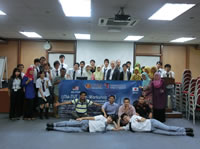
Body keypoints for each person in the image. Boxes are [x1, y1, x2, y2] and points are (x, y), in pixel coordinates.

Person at [119, 113, 194, 137]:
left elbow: (144, 119)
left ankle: (184, 129)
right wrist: (119, 120)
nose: (126, 118)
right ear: (124, 121)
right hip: (151, 130)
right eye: (124, 119)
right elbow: (117, 128)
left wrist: (140, 120)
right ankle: (185, 133)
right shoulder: (128, 126)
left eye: (126, 117)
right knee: (167, 133)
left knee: (167, 128)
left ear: (128, 116)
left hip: (152, 122)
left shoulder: (134, 117)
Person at [46, 115, 118, 133]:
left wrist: (115, 121)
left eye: (111, 119)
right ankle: (53, 124)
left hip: (86, 130)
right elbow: (91, 118)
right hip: (86, 122)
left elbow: (116, 128)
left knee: (69, 129)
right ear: (108, 117)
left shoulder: (108, 127)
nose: (109, 119)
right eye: (109, 117)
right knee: (68, 123)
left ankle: (53, 128)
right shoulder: (102, 117)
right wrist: (82, 118)